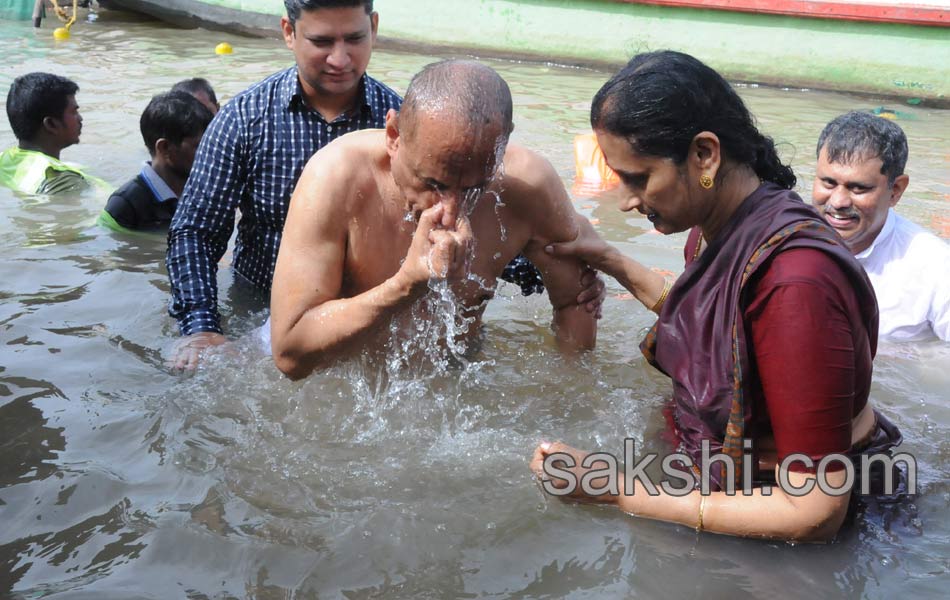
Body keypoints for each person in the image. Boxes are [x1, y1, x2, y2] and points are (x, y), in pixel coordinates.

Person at [530, 51, 902, 542]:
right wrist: (610, 259)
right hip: (722, 483)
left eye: (639, 178)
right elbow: (725, 327)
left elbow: (814, 511)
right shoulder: (722, 225)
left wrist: (615, 491)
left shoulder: (797, 282)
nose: (625, 200)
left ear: (705, 154)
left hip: (781, 514)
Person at [166, 0, 571, 370]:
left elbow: (466, 212)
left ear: (374, 28)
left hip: (377, 306)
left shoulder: (410, 122)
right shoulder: (243, 121)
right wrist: (201, 327)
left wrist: (542, 263)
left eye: (355, 39)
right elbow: (196, 231)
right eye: (322, 41)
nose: (340, 59)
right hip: (264, 303)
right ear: (289, 32)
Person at [269, 60, 597, 379]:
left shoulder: (529, 184)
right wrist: (405, 286)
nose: (451, 213)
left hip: (459, 375)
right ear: (393, 135)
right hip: (345, 381)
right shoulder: (335, 177)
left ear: (503, 143)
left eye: (475, 188)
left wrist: (565, 403)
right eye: (432, 184)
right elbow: (289, 355)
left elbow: (573, 302)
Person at [813, 112, 949, 342]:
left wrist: (904, 358)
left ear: (896, 190)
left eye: (858, 188)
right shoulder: (785, 241)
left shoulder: (937, 268)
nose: (837, 202)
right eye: (828, 183)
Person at [99, 91, 214, 232]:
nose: (211, 154)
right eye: (200, 146)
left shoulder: (205, 190)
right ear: (164, 148)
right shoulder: (125, 206)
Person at [0, 72, 108, 194]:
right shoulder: (63, 182)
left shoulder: (3, 160)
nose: (80, 118)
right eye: (74, 112)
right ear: (51, 124)